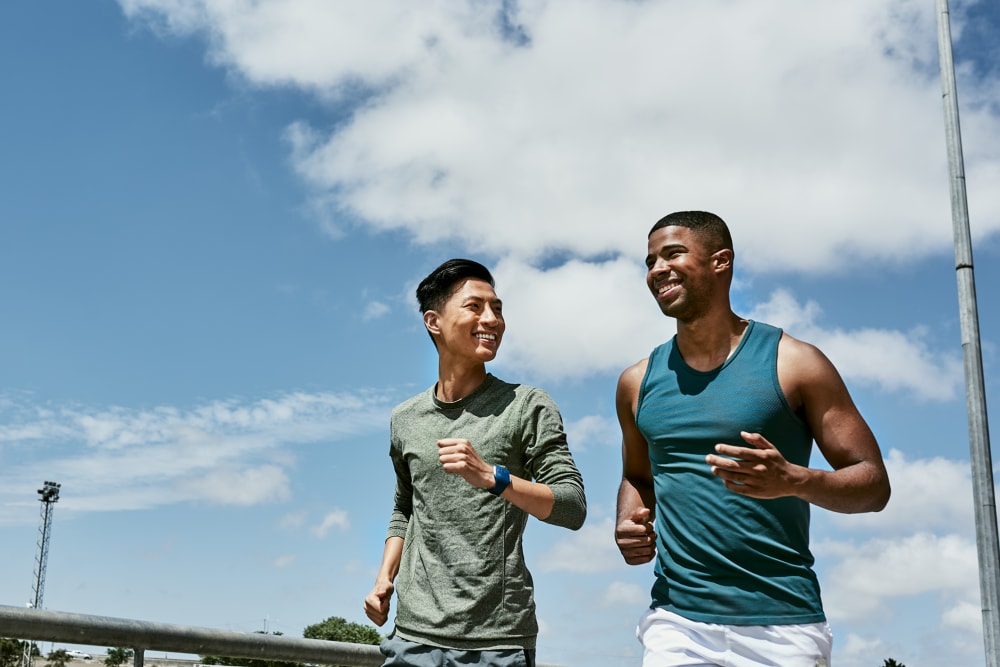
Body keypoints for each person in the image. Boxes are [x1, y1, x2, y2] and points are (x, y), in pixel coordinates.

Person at [615, 211, 890, 667]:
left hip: (784, 625)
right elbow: (638, 476)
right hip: (677, 622)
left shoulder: (797, 363)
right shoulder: (636, 381)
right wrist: (630, 520)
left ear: (720, 262)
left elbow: (874, 485)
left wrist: (795, 480)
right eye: (649, 261)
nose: (657, 270)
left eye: (673, 254)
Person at [365, 258, 587, 667]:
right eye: (475, 307)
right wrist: (385, 577)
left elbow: (572, 507)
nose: (492, 319)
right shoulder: (405, 419)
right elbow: (405, 507)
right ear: (434, 321)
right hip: (412, 637)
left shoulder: (527, 406)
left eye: (498, 308)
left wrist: (492, 476)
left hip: (497, 644)